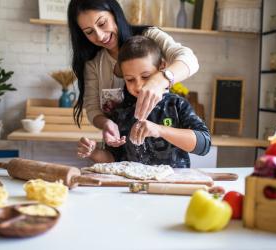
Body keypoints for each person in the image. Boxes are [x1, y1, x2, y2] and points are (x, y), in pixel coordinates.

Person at [68, 0, 199, 147]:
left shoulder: (150, 37)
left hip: (162, 149)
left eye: (102, 23)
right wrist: (107, 124)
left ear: (114, 13)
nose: (99, 36)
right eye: (89, 32)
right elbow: (93, 109)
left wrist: (159, 80)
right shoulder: (93, 63)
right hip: (120, 151)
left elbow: (189, 60)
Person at [77, 36, 211, 168]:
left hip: (172, 184)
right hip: (132, 187)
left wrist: (160, 130)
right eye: (130, 79)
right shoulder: (120, 112)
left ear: (162, 67)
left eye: (146, 76)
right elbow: (115, 160)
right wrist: (94, 153)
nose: (139, 85)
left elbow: (204, 144)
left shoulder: (176, 105)